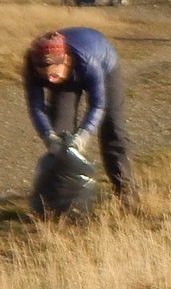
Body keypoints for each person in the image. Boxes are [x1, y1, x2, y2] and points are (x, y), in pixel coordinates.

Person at [23, 28, 131, 197]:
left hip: (104, 64)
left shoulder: (88, 62)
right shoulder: (33, 63)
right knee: (60, 134)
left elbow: (98, 105)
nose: (49, 81)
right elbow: (36, 107)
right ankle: (61, 194)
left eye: (53, 75)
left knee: (112, 129)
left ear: (65, 60)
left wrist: (83, 135)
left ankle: (125, 190)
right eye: (44, 77)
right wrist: (48, 135)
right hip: (68, 78)